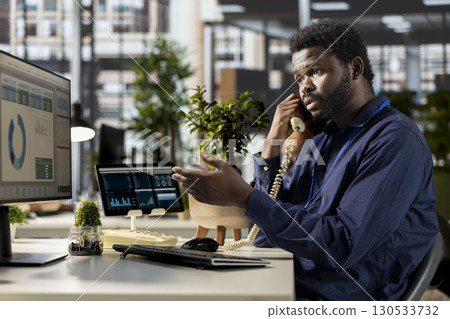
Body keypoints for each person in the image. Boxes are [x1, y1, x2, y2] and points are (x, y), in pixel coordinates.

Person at [172, 19, 439, 301]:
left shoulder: (395, 140)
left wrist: (245, 197)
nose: (304, 86)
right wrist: (273, 143)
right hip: (291, 281)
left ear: (355, 68)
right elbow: (265, 233)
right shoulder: (323, 141)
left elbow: (342, 245)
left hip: (337, 298)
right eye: (299, 78)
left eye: (316, 71)